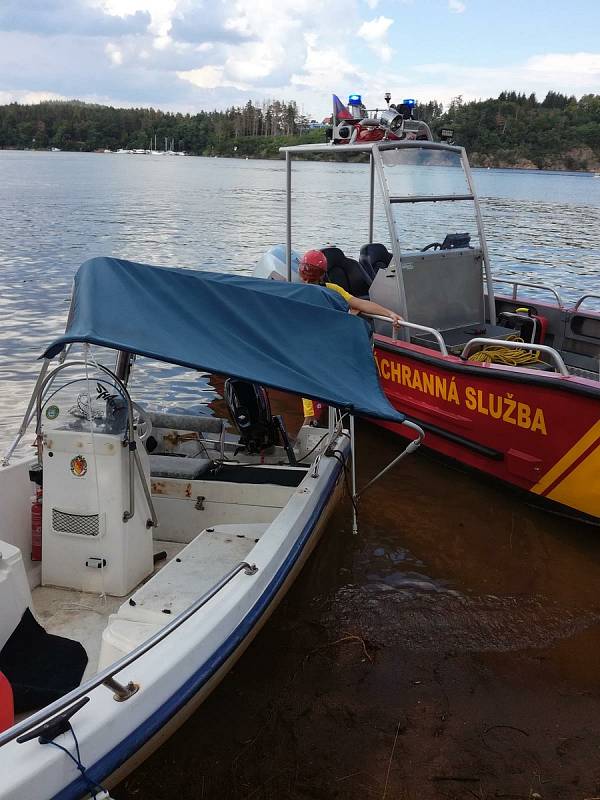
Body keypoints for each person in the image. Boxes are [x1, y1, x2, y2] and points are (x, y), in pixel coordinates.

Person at [299, 249, 403, 425]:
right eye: (306, 278)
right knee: (310, 410)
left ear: (321, 277)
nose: (309, 282)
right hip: (308, 353)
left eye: (313, 279)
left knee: (323, 402)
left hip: (326, 351)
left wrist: (389, 313)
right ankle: (311, 424)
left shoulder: (333, 291)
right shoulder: (294, 291)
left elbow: (359, 303)